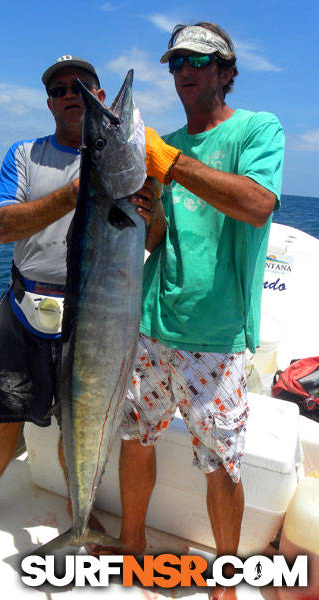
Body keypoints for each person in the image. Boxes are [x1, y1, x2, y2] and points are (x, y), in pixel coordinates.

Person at [107, 22, 285, 600]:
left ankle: (227, 580)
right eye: (176, 61)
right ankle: (132, 545)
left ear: (227, 71)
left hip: (216, 336)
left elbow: (257, 205)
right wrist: (151, 207)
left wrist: (172, 163)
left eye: (199, 61)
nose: (184, 70)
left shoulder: (259, 129)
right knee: (136, 437)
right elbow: (160, 241)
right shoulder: (170, 149)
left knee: (219, 464)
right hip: (151, 325)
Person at [0, 55, 153, 547]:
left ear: (98, 98)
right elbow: (3, 227)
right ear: (50, 103)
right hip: (27, 310)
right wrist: (73, 195)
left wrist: (153, 207)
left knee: (78, 417)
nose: (70, 94)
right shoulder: (25, 155)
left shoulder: (136, 172)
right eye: (60, 89)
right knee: (2, 416)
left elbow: (153, 242)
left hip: (93, 320)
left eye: (80, 86)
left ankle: (75, 510)